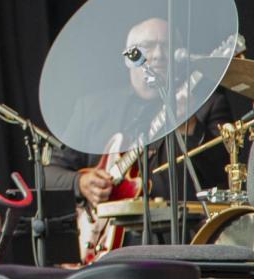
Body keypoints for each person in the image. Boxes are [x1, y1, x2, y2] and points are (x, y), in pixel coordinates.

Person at [45, 17, 233, 250]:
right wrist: (81, 182)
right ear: (128, 57)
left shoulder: (207, 105)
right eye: (147, 47)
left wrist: (191, 128)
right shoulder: (93, 109)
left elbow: (226, 175)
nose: (158, 55)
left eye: (168, 47)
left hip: (182, 244)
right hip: (104, 251)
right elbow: (48, 175)